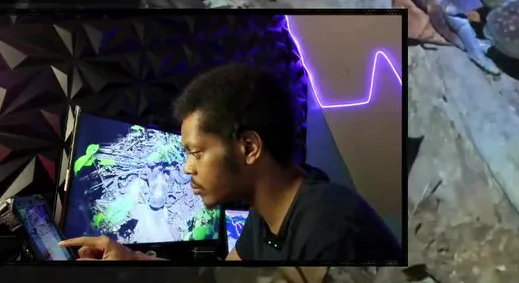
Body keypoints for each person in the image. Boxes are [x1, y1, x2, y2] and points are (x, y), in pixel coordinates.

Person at [59, 63, 402, 263]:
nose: (187, 168)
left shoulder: (329, 232)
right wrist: (133, 259)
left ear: (249, 147)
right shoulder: (269, 214)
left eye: (196, 153)